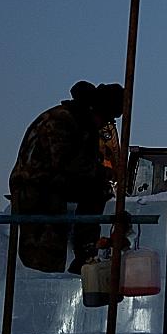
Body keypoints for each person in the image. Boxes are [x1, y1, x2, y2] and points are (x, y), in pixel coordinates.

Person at [10, 81, 124, 273]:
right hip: (35, 187)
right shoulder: (62, 121)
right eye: (107, 119)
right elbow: (67, 164)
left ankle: (86, 250)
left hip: (48, 183)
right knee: (96, 189)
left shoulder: (76, 122)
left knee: (97, 187)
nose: (105, 125)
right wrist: (101, 173)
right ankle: (85, 250)